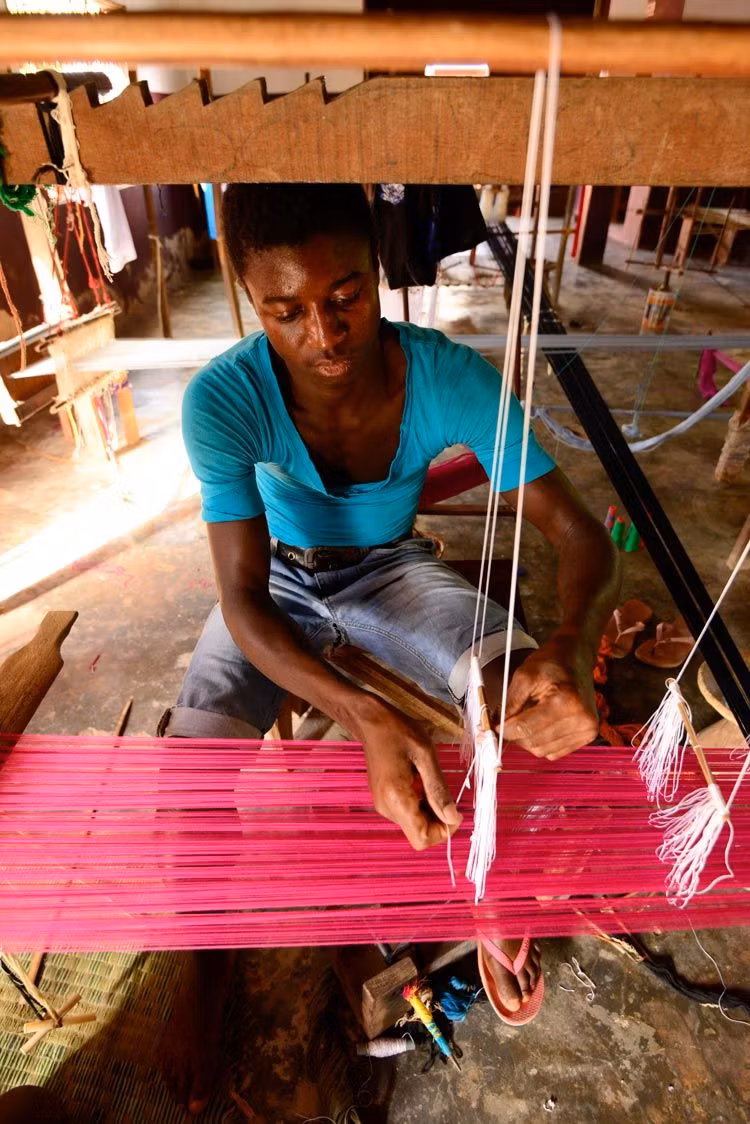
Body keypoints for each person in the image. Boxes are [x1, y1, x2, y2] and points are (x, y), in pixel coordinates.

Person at [159, 183, 619, 1113]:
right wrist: (361, 713)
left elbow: (582, 536)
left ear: (381, 276)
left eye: (346, 298)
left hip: (390, 572)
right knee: (185, 774)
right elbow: (245, 603)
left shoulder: (447, 376)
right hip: (280, 580)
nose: (324, 335)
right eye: (286, 312)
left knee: (523, 712)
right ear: (252, 301)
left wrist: (569, 646)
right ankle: (197, 976)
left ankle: (498, 904)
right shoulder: (224, 398)